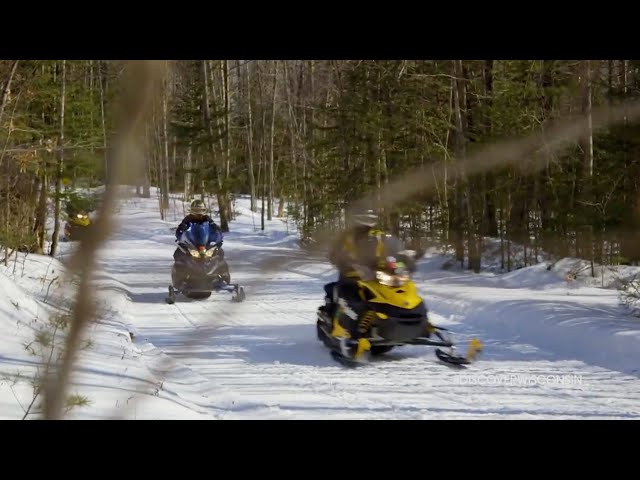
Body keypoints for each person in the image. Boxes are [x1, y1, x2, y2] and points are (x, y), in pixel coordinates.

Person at [324, 207, 417, 359]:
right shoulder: (346, 237)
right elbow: (335, 254)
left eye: (370, 217)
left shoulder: (380, 236)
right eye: (365, 217)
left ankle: (410, 326)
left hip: (376, 275)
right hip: (352, 275)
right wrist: (346, 262)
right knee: (353, 299)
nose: (368, 220)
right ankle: (347, 332)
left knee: (397, 294)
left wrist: (403, 261)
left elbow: (392, 252)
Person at [172, 200, 224, 283]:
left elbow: (215, 229)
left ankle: (222, 276)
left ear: (204, 210)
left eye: (200, 210)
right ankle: (180, 278)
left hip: (204, 244)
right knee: (178, 253)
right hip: (192, 244)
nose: (198, 213)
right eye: (196, 210)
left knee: (219, 252)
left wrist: (217, 235)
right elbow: (180, 231)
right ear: (192, 210)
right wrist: (181, 231)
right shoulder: (188, 219)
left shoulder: (207, 219)